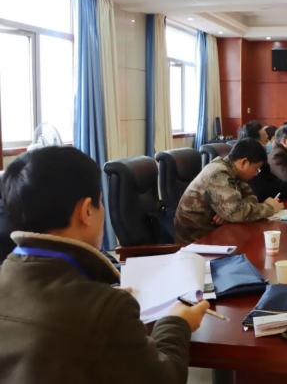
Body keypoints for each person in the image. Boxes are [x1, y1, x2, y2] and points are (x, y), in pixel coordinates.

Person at [0, 146, 209, 384]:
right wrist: (177, 322)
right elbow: (165, 378)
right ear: (86, 211)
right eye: (100, 203)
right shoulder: (106, 309)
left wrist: (101, 299)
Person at [175, 138, 283, 244]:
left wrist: (228, 212)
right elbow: (237, 212)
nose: (256, 174)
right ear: (244, 162)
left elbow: (251, 196)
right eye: (256, 169)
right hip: (196, 241)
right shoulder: (219, 174)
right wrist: (270, 208)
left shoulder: (232, 171)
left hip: (215, 233)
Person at [238, 121, 287, 202]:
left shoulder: (262, 163)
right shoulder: (247, 165)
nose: (270, 143)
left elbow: (274, 184)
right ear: (254, 144)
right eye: (266, 140)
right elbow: (262, 192)